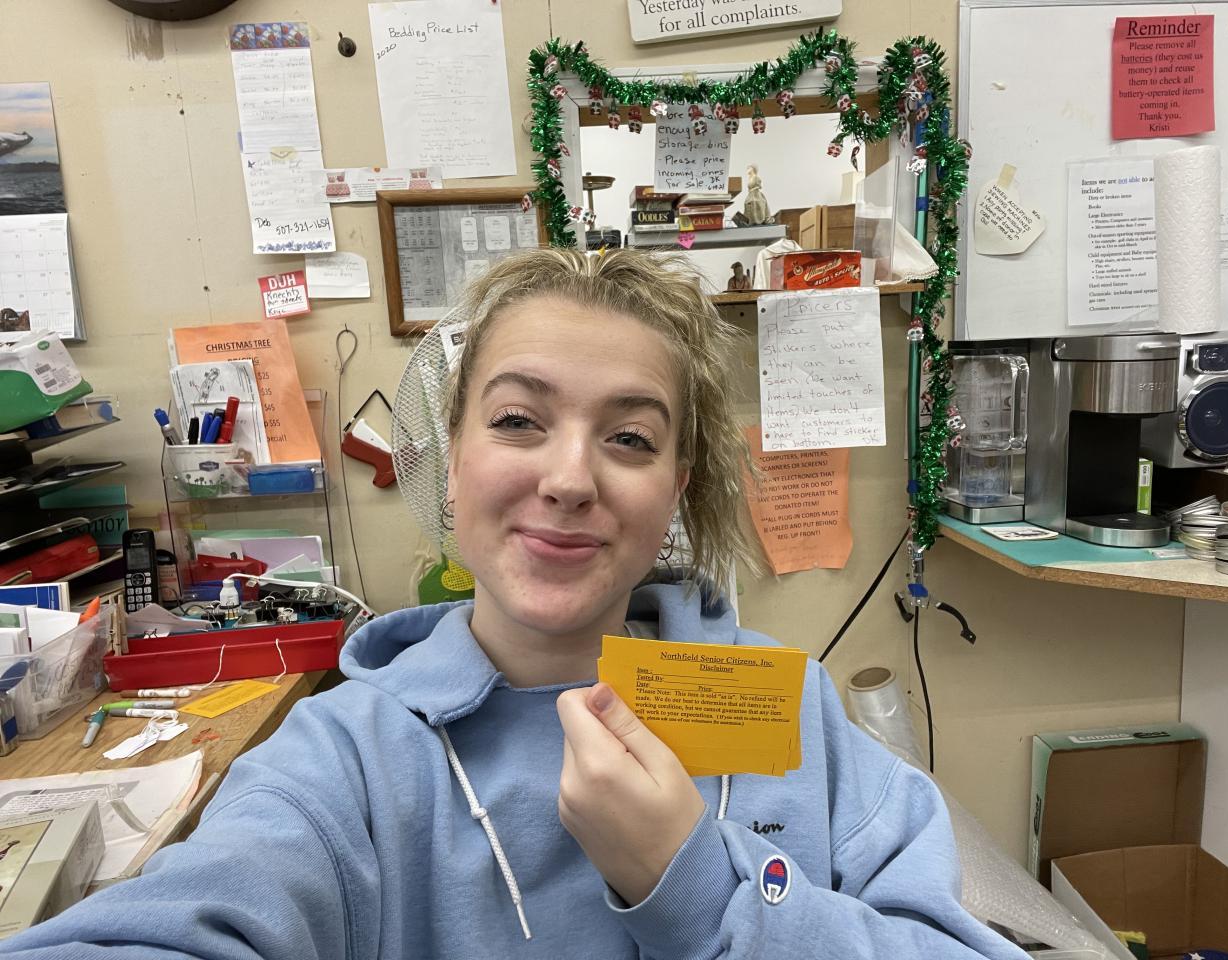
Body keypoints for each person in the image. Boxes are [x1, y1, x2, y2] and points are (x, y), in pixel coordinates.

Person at [0, 249, 1028, 959]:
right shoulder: (345, 761)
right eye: (518, 421)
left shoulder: (788, 707)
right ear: (449, 462)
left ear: (674, 489)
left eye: (630, 438)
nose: (570, 478)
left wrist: (700, 886)